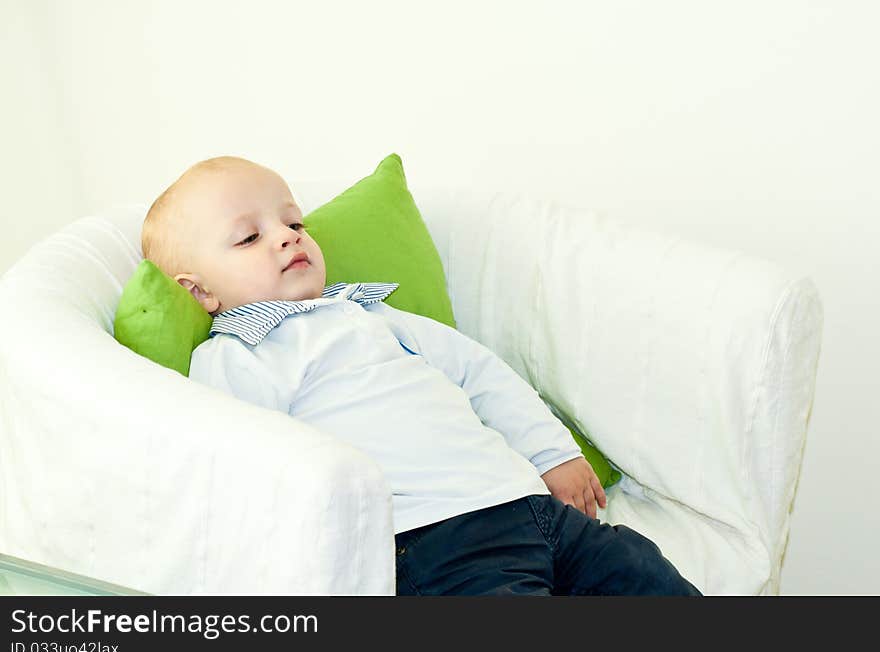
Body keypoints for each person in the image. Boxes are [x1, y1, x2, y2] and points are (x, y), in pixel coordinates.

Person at [141, 155, 702, 596]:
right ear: (198, 291)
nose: (287, 236)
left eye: (292, 222)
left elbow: (480, 372)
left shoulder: (369, 313)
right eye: (249, 237)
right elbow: (246, 466)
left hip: (531, 506)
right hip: (433, 541)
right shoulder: (240, 356)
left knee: (646, 574)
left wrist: (551, 452)